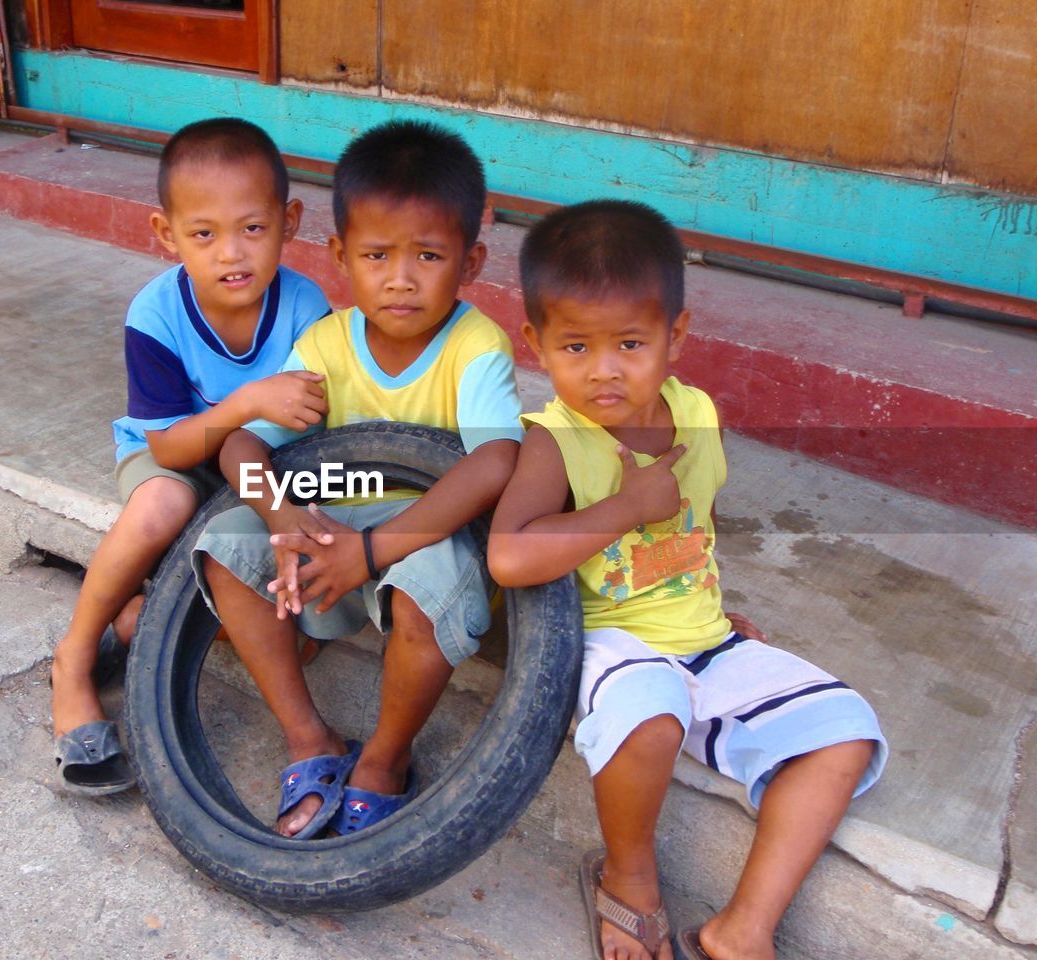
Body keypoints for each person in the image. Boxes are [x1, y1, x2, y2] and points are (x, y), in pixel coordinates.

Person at [488, 200, 886, 960]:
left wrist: (718, 607)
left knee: (845, 729)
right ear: (536, 344)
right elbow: (510, 557)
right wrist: (626, 505)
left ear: (677, 336)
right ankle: (630, 878)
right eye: (576, 346)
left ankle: (746, 926)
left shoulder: (697, 413)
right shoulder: (555, 441)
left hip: (703, 640)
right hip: (609, 642)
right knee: (649, 710)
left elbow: (695, 526)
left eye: (630, 343)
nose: (604, 369)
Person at [193, 119, 523, 839]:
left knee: (425, 588)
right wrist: (282, 516)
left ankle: (383, 761)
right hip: (328, 524)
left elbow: (497, 462)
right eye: (376, 254)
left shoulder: (475, 348)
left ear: (470, 262)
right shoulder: (325, 345)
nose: (400, 278)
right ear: (341, 254)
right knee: (224, 542)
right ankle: (310, 739)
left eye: (429, 255)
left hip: (426, 535)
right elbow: (241, 444)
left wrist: (370, 554)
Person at [51, 118, 331, 795]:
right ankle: (76, 658)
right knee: (164, 505)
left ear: (289, 221)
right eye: (203, 234)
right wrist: (247, 402)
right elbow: (171, 445)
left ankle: (141, 616)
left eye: (253, 229)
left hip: (261, 460)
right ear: (165, 234)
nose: (231, 253)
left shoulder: (306, 305)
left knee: (301, 582)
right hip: (173, 455)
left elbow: (317, 427)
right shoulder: (155, 315)